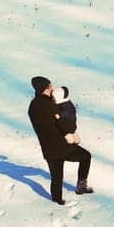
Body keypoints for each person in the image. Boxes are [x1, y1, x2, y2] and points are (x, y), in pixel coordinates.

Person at [28, 75, 92, 205]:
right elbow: (67, 126)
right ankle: (81, 186)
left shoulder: (33, 106)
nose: (52, 88)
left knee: (56, 177)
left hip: (47, 148)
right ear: (45, 88)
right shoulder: (51, 105)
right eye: (50, 86)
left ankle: (57, 201)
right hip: (63, 146)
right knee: (86, 156)